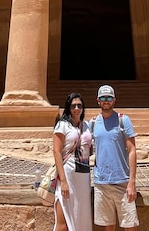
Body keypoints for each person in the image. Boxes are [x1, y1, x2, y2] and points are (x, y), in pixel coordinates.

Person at [90, 84, 139, 229]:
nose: (106, 100)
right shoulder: (92, 123)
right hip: (101, 182)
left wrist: (132, 183)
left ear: (114, 100)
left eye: (109, 97)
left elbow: (132, 150)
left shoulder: (123, 120)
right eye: (103, 98)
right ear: (98, 100)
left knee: (130, 225)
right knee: (108, 225)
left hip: (122, 182)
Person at [52, 92, 93, 231]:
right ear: (68, 107)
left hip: (83, 176)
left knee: (82, 216)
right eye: (73, 105)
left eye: (79, 106)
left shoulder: (86, 125)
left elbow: (90, 149)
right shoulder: (62, 125)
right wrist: (63, 181)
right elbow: (56, 151)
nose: (77, 108)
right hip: (68, 176)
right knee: (63, 220)